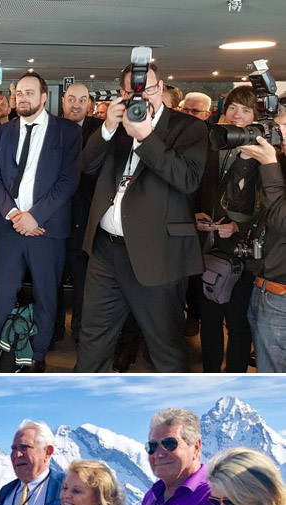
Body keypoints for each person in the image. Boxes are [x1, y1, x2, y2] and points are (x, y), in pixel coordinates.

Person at [76, 62, 208, 373]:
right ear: (123, 93)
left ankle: (178, 417)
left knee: (165, 345)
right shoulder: (115, 127)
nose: (143, 97)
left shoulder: (188, 128)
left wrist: (146, 135)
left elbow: (186, 179)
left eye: (149, 89)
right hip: (106, 251)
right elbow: (86, 167)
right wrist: (107, 128)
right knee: (93, 338)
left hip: (157, 253)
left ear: (161, 88)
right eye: (134, 91)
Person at [0, 72, 82, 373]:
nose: (22, 97)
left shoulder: (67, 132)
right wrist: (15, 215)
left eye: (29, 92)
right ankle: (5, 349)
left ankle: (37, 355)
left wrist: (34, 216)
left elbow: (68, 181)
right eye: (18, 93)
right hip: (10, 227)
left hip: (46, 229)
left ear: (43, 97)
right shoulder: (6, 131)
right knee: (3, 291)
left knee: (46, 294)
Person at [194, 87, 260, 372]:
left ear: (256, 116)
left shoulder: (264, 153)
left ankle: (235, 376)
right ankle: (209, 374)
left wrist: (239, 227)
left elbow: (269, 207)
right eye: (233, 107)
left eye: (245, 110)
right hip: (206, 247)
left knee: (237, 323)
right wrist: (192, 215)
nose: (237, 115)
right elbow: (194, 188)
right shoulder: (210, 144)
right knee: (209, 320)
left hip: (242, 254)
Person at [237, 106, 286, 372]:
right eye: (276, 126)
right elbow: (237, 205)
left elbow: (281, 222)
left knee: (274, 379)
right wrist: (246, 159)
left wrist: (269, 164)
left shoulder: (274, 165)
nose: (280, 134)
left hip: (281, 297)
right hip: (262, 287)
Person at [58, 82, 103, 344]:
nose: (76, 104)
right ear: (63, 101)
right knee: (51, 278)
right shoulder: (51, 128)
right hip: (53, 215)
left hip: (86, 215)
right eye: (71, 99)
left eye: (82, 100)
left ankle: (80, 330)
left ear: (89, 103)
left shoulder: (101, 131)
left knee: (83, 279)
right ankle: (52, 328)